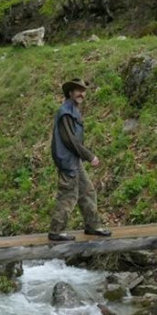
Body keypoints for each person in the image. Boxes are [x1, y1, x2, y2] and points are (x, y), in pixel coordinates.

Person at [48, 78, 112, 241]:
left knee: (87, 191)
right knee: (68, 195)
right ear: (70, 93)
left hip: (74, 160)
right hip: (68, 162)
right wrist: (89, 156)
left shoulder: (73, 109)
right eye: (78, 90)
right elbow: (70, 140)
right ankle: (56, 231)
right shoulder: (66, 112)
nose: (81, 94)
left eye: (83, 91)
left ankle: (92, 226)